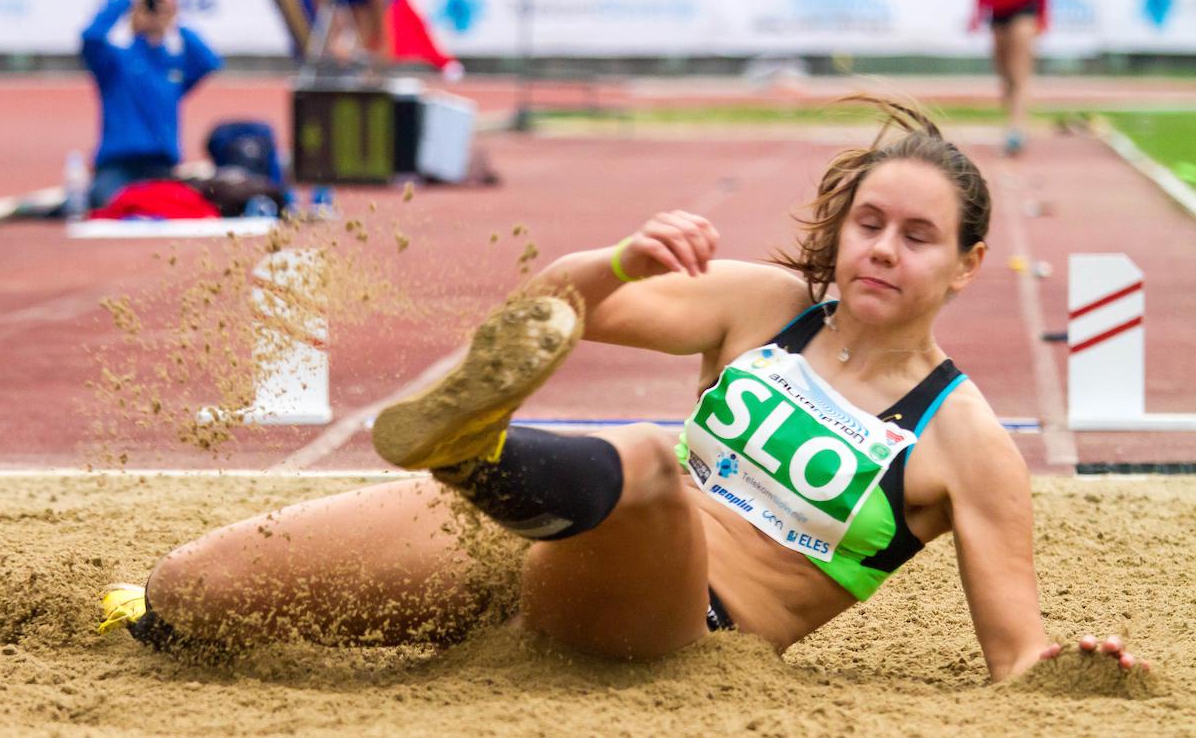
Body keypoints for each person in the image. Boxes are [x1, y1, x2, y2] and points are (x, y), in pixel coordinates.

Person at [99, 97, 1145, 681]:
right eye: (869, 222)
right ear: (843, 225)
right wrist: (623, 260)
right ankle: (478, 461)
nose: (881, 249)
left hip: (678, 618)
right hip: (543, 536)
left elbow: (1018, 657)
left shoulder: (966, 442)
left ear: (967, 266)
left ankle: (471, 453)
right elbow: (547, 313)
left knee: (651, 458)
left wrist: (1082, 665)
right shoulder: (765, 302)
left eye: (917, 237)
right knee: (190, 590)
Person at [81, 0, 222, 209]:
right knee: (111, 207)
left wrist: (174, 20)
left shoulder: (172, 65)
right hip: (118, 167)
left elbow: (208, 61)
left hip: (161, 167)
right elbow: (91, 37)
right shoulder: (116, 62)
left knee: (180, 208)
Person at [272, 0, 463, 79]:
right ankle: (329, 58)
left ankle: (361, 61)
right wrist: (332, 43)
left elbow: (379, 0)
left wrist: (377, 56)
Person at [975, 0, 1048, 156]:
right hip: (998, 11)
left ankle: (1017, 129)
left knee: (1019, 74)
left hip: (1024, 9)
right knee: (1004, 74)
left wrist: (1043, 17)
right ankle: (1013, 123)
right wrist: (978, 11)